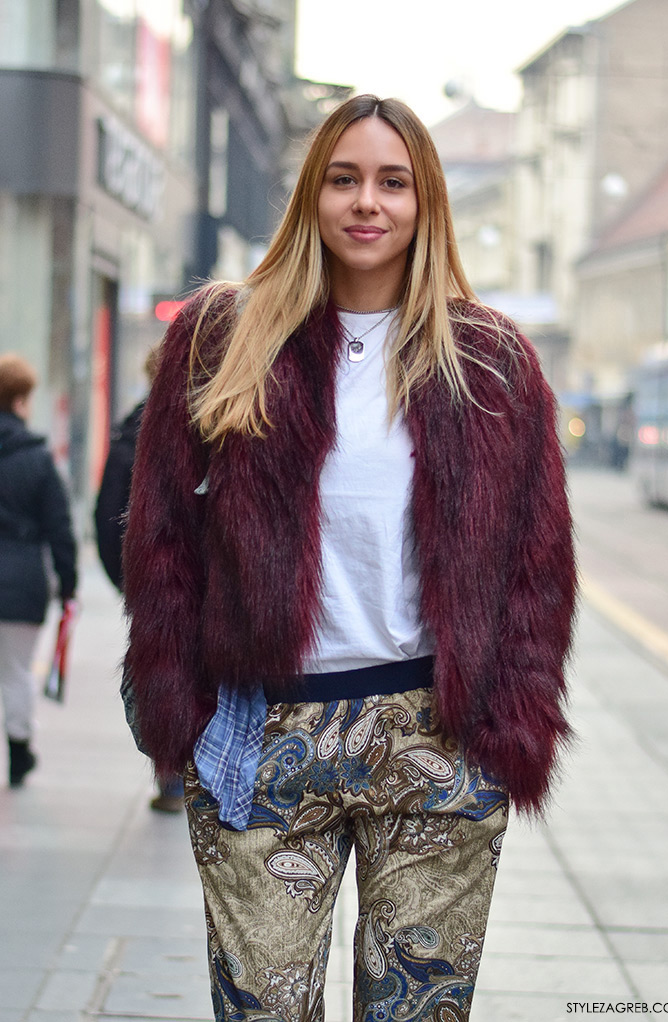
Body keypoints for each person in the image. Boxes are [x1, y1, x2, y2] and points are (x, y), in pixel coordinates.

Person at [122, 95, 576, 1022]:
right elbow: (161, 542)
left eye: (392, 182)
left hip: (436, 741)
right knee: (263, 1011)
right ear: (312, 195)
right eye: (343, 178)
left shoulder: (490, 362)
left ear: (425, 202)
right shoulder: (221, 335)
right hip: (265, 732)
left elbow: (539, 568)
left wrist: (507, 731)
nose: (367, 202)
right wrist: (179, 715)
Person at [94, 346, 184, 812]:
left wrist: (127, 584)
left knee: (165, 667)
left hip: (153, 579)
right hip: (195, 578)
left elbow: (105, 515)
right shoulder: (213, 422)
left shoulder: (130, 433)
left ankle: (172, 776)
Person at [0, 353, 77, 787]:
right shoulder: (38, 459)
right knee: (16, 671)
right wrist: (69, 585)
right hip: (23, 584)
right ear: (20, 401)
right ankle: (18, 753)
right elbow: (59, 528)